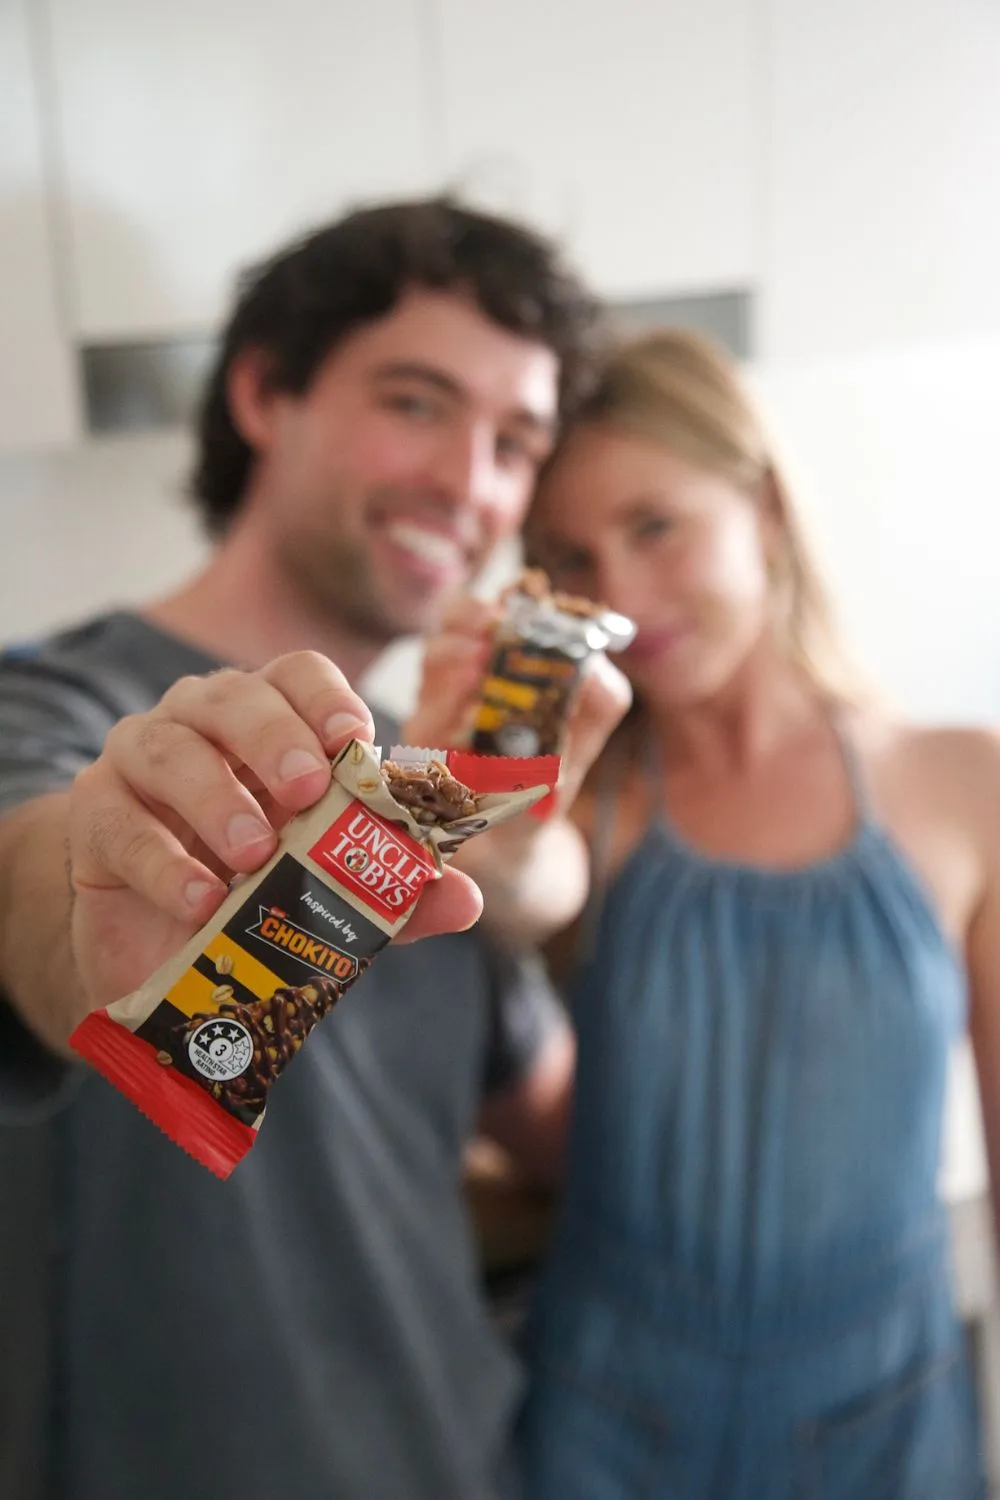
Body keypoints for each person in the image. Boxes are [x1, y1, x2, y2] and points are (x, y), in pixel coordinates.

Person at [0, 196, 629, 1500]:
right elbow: (40, 890)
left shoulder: (432, 776)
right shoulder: (51, 705)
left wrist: (533, 869)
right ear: (263, 396)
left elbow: (564, 1130)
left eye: (516, 441)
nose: (471, 482)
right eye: (416, 401)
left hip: (458, 1458)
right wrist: (104, 908)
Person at [416, 329, 998, 1496]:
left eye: (656, 527)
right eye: (571, 556)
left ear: (766, 508)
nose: (622, 594)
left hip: (888, 1423)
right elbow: (529, 889)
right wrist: (488, 812)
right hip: (603, 1420)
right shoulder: (584, 803)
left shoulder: (962, 782)